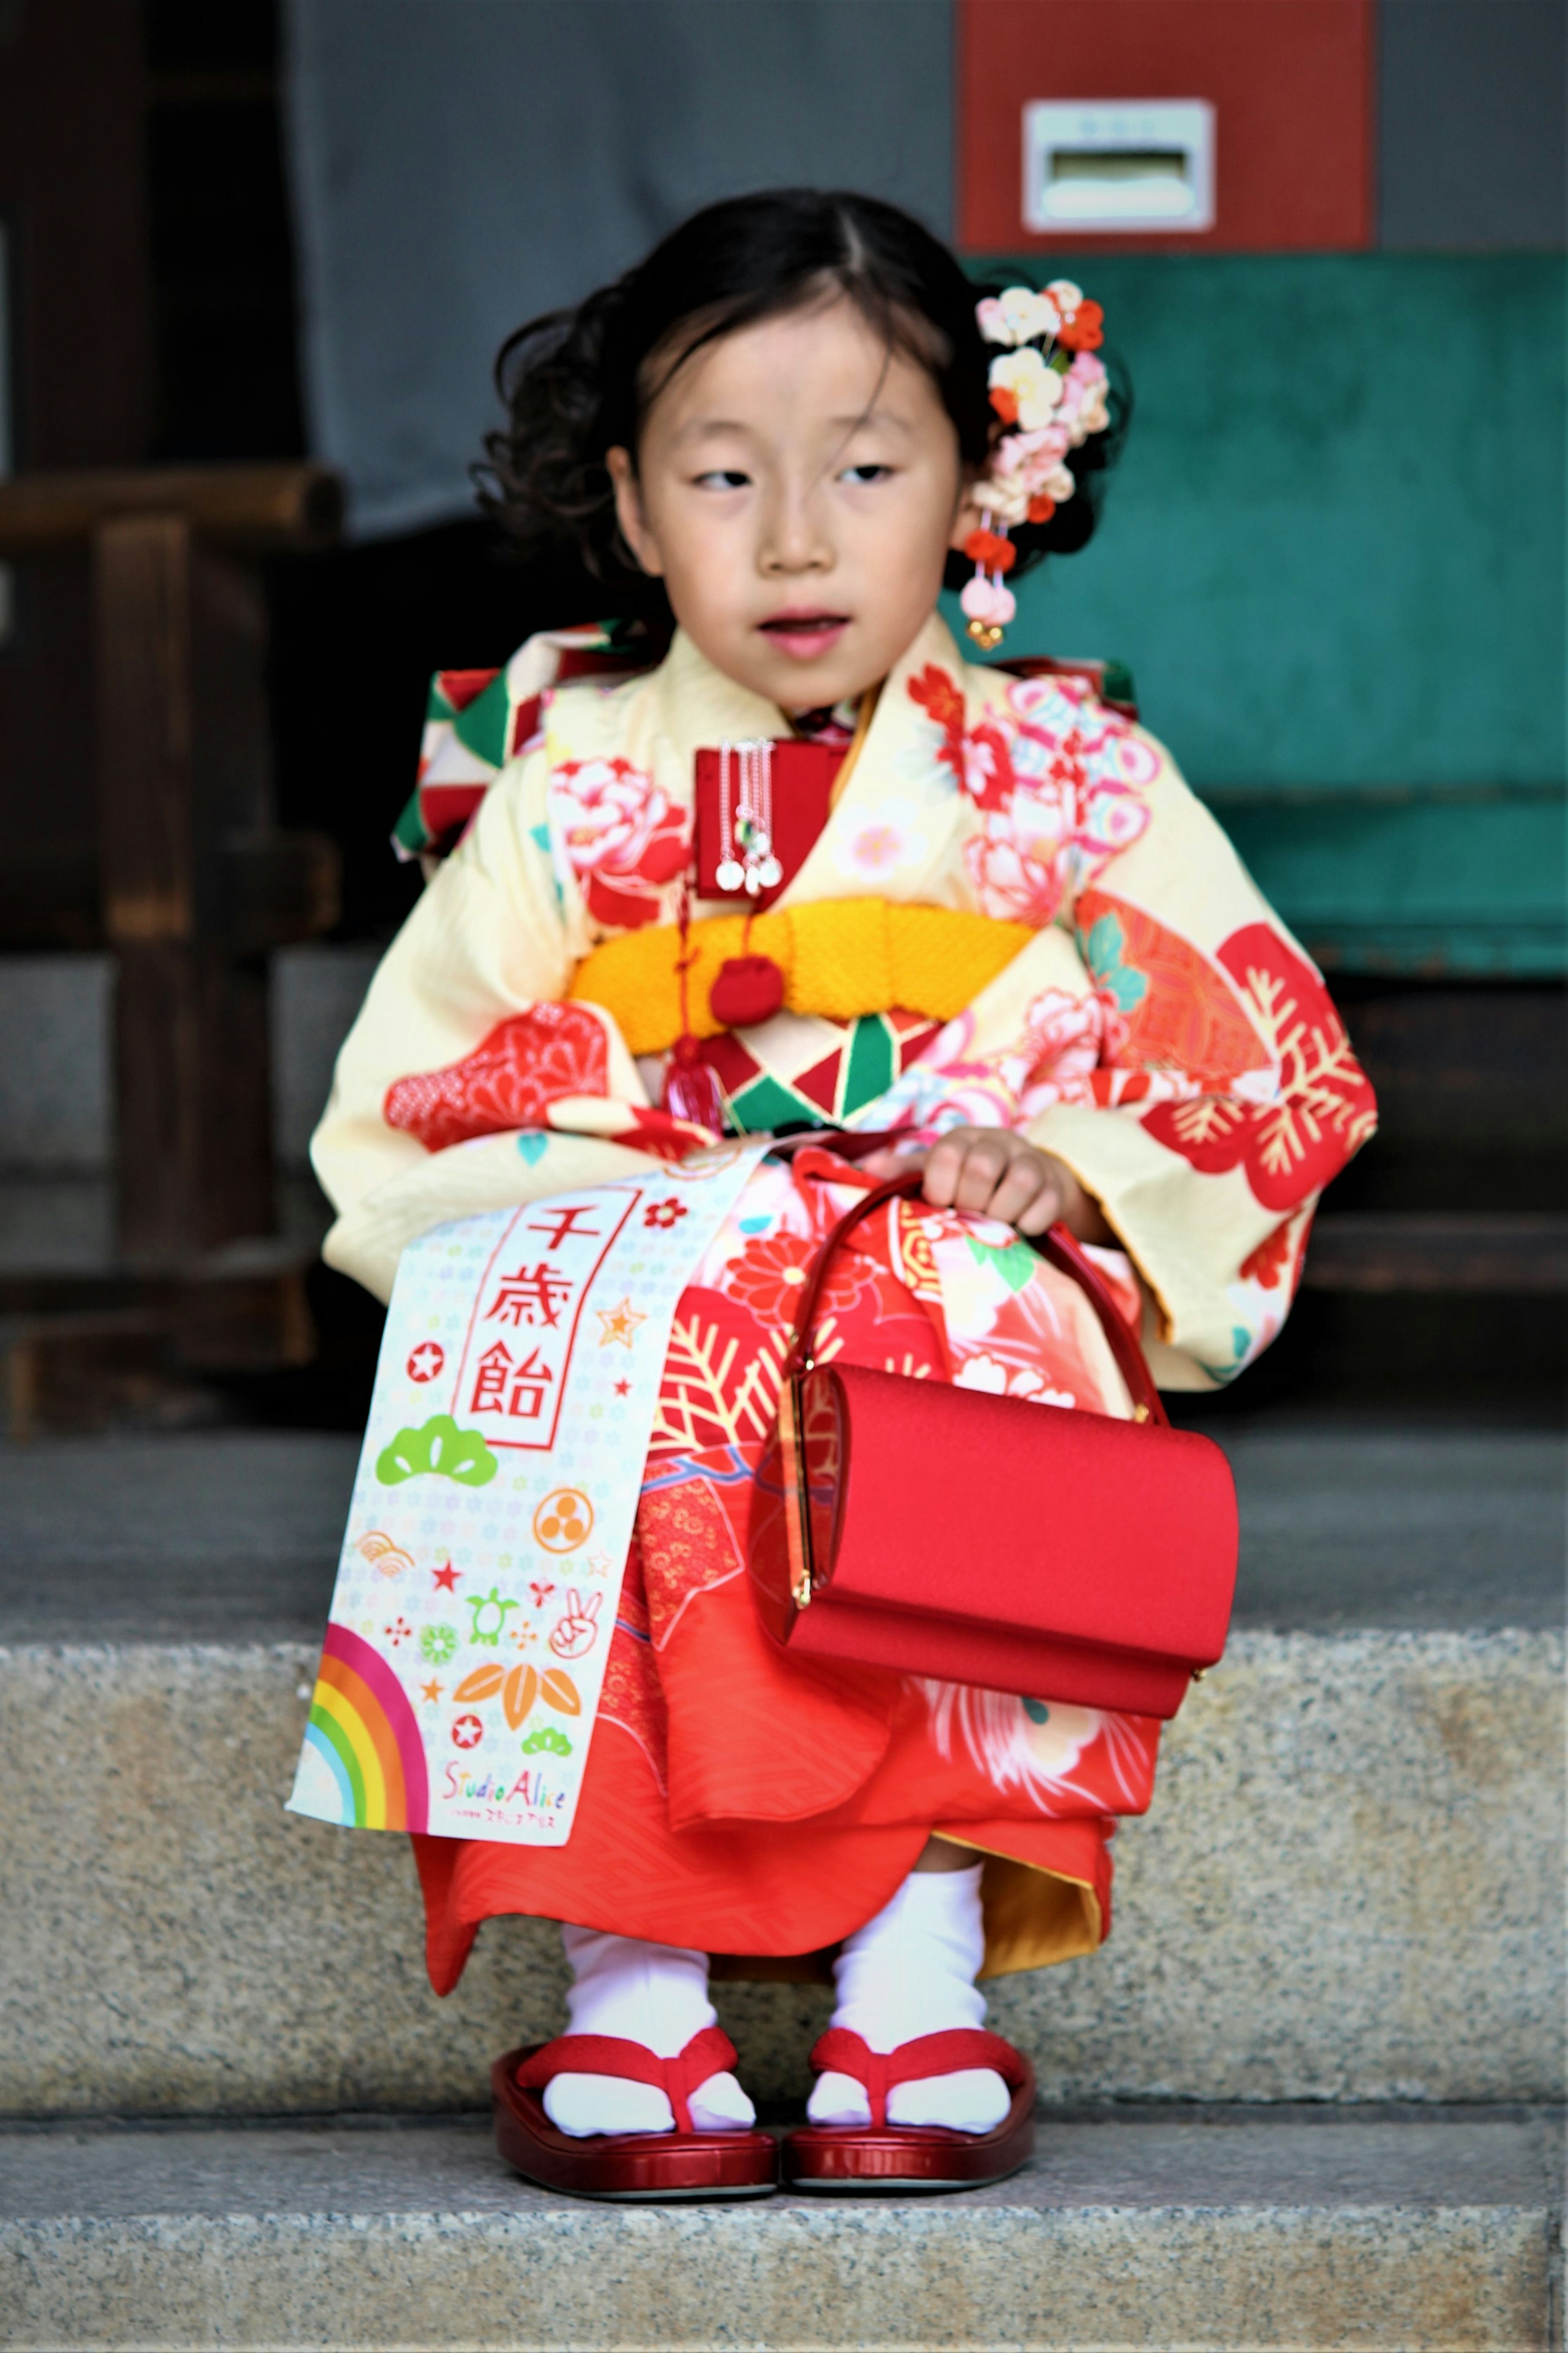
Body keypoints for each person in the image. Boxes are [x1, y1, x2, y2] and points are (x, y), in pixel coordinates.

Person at [312, 189, 1376, 2195]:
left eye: (869, 468)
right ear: (632, 510)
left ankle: (920, 1964)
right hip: (660, 1264)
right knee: (614, 1346)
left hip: (953, 1271)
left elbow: (1262, 1058)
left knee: (936, 1318)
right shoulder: (563, 785)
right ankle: (632, 1985)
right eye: (724, 476)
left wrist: (1068, 1170)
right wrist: (659, 1185)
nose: (796, 537)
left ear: (977, 483)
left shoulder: (1073, 776)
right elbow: (402, 1112)